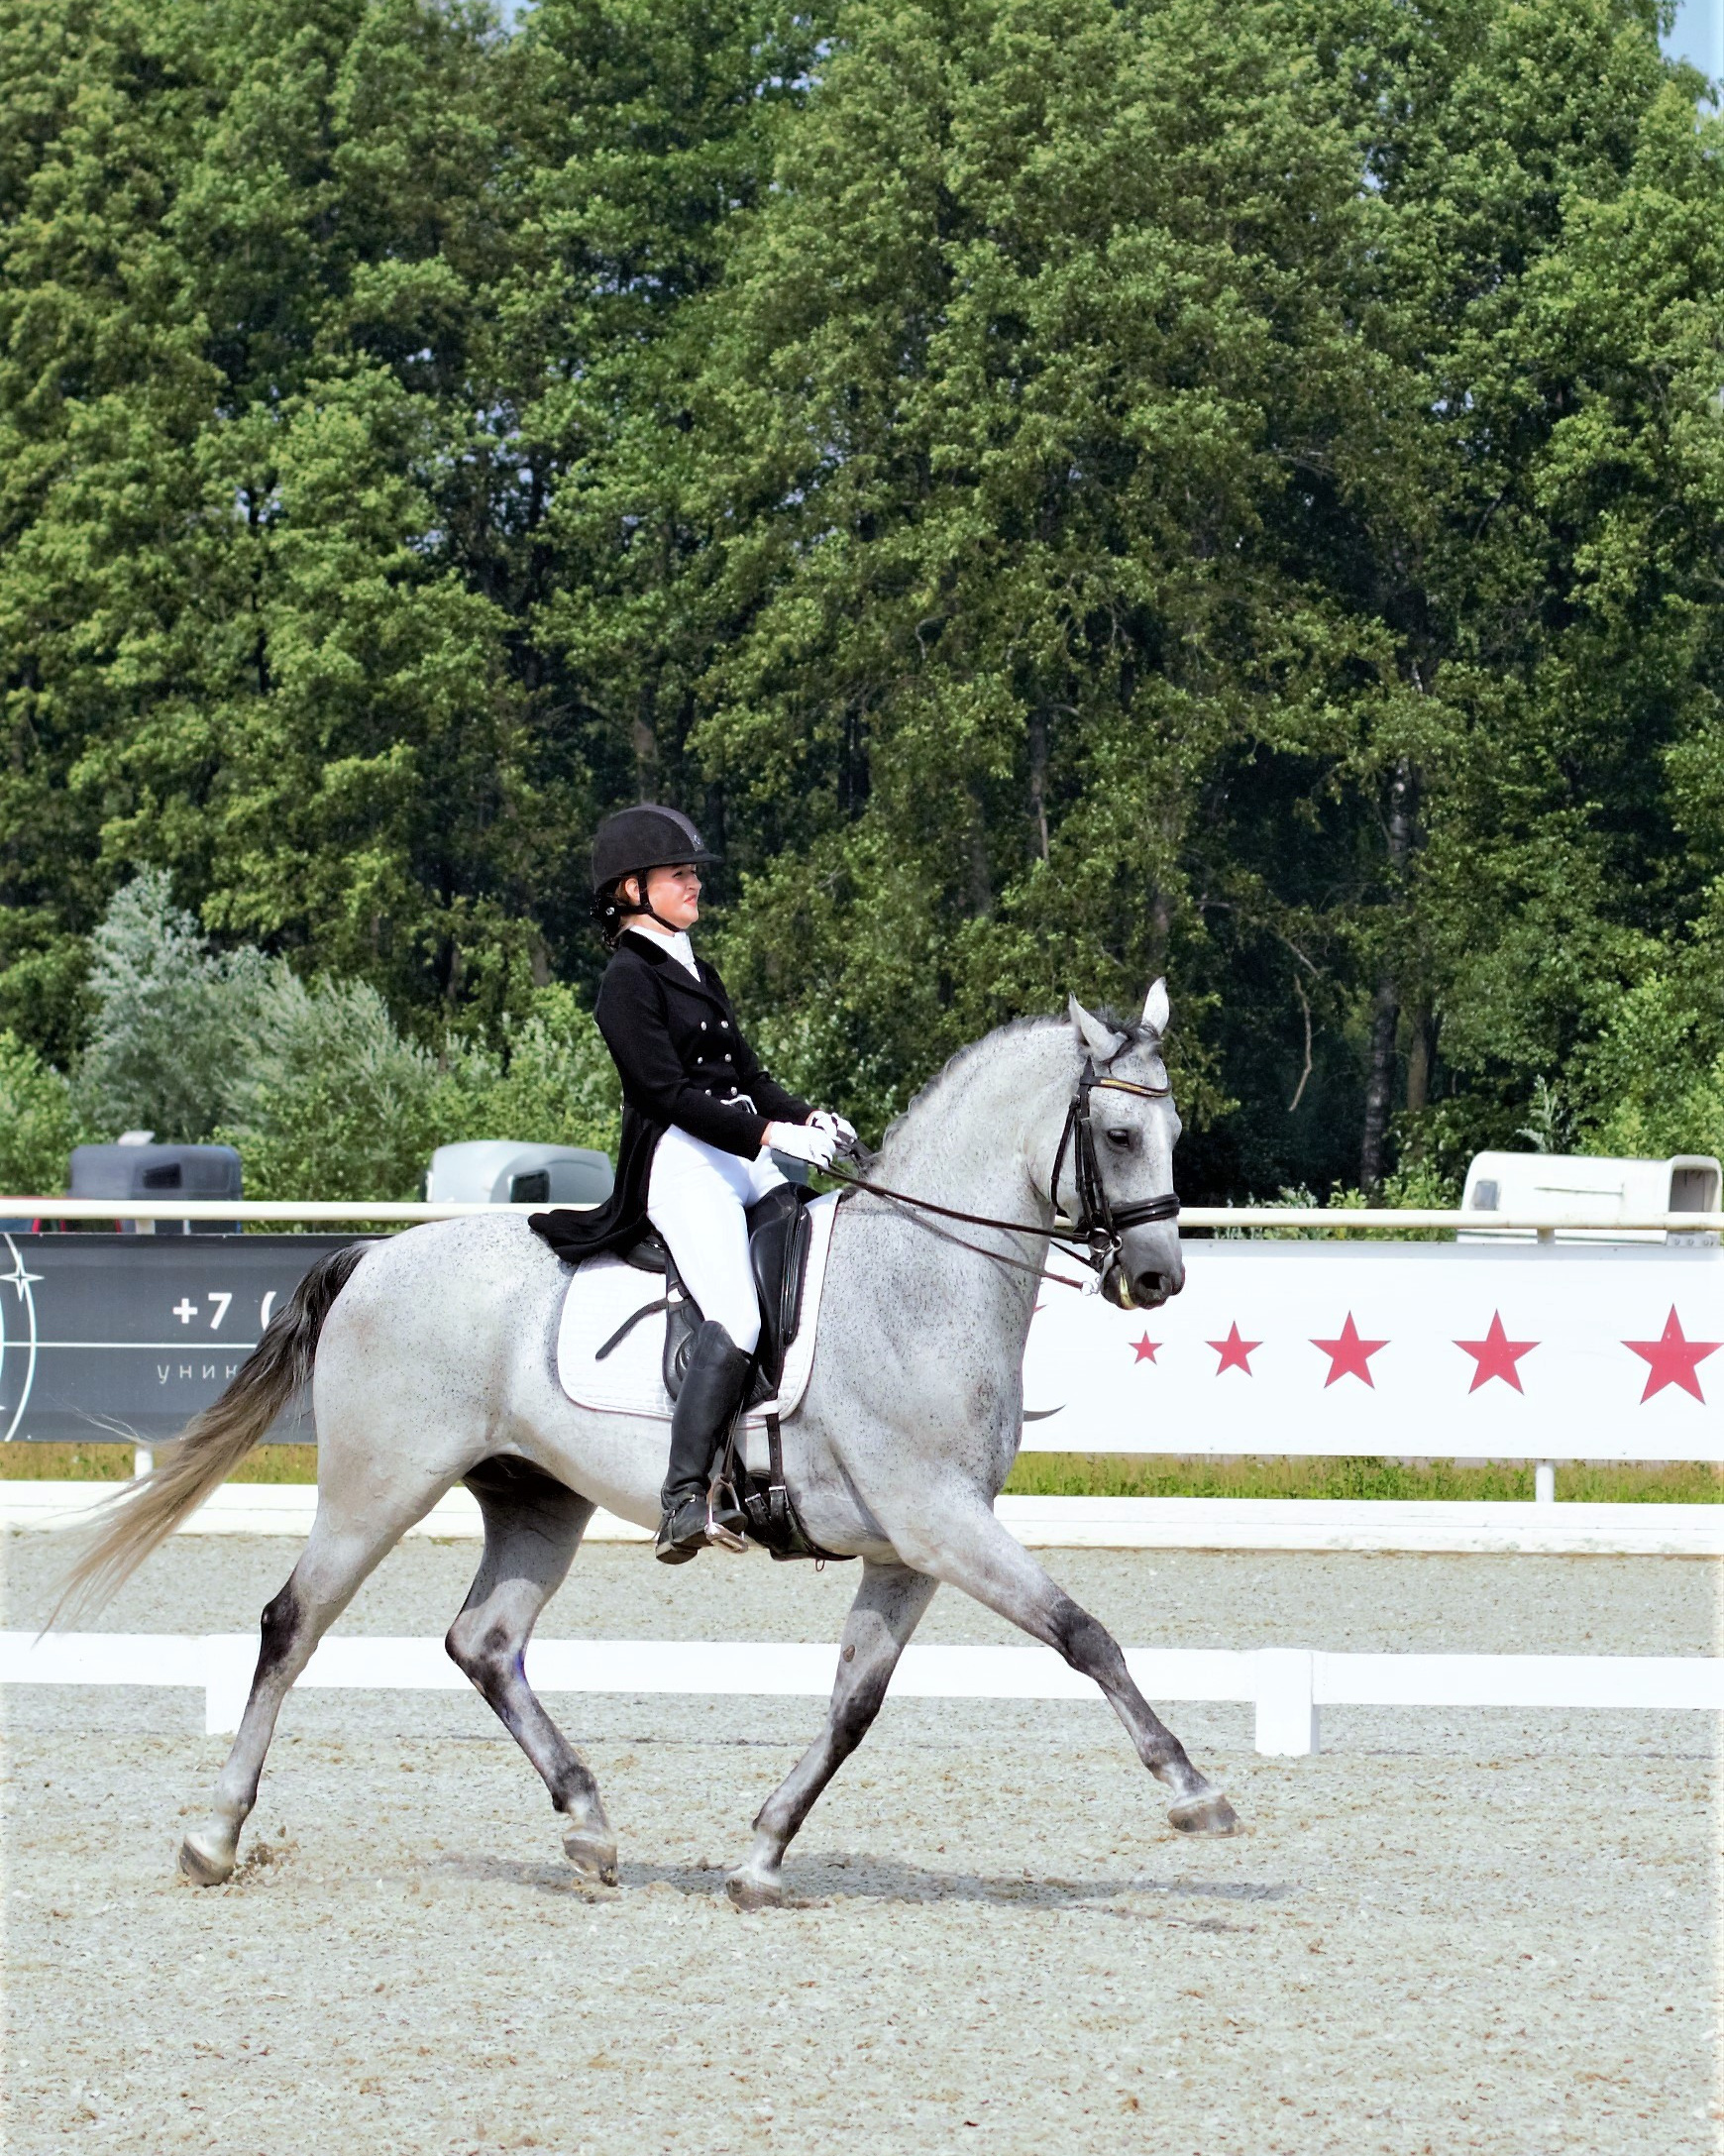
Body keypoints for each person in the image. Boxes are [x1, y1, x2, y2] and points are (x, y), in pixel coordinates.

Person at [528, 805, 853, 1563]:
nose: (694, 883)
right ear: (632, 890)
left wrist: (809, 1115)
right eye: (679, 874)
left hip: (741, 1155)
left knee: (802, 1280)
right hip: (680, 1163)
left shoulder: (695, 966)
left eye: (693, 872)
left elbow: (747, 1075)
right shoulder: (625, 983)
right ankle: (681, 1499)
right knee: (737, 1317)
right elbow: (667, 1093)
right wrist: (772, 1134)